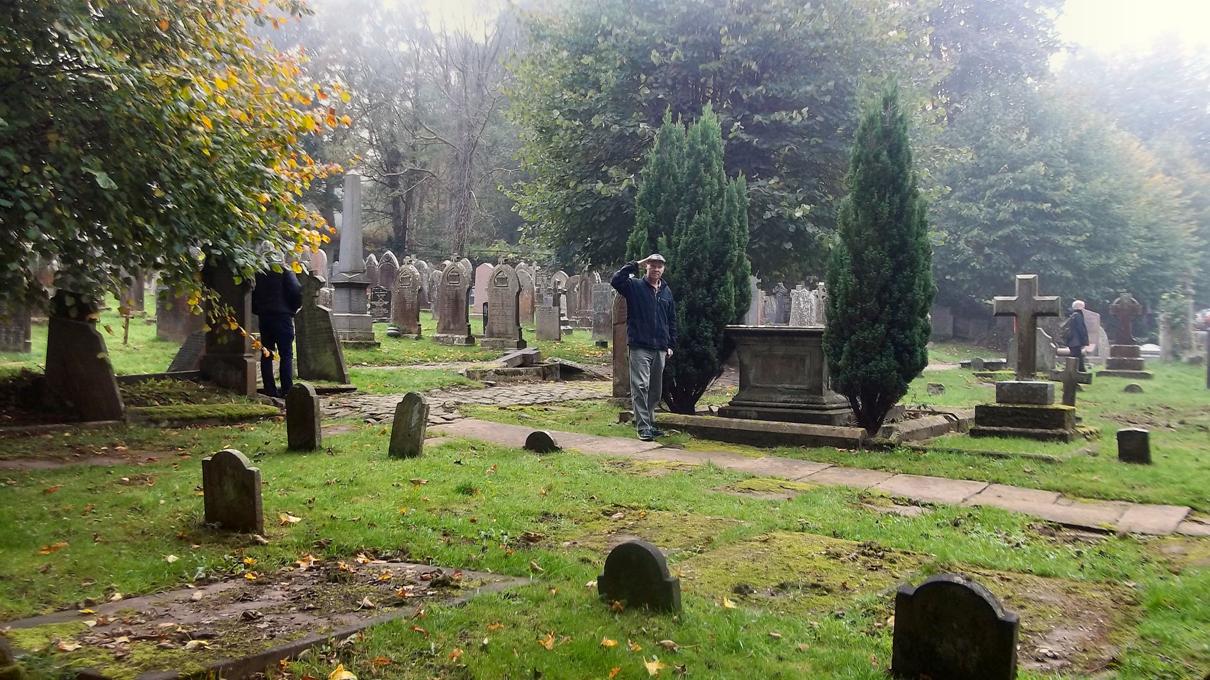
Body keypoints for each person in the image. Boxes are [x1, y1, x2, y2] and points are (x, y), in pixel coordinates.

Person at [611, 254, 677, 441]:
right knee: (640, 386)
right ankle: (643, 427)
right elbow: (616, 280)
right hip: (640, 345)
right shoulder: (634, 286)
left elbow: (671, 319)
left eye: (659, 266)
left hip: (660, 347)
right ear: (646, 267)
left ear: (663, 269)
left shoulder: (666, 291)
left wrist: (671, 344)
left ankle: (650, 423)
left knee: (655, 390)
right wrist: (636, 264)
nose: (656, 269)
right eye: (652, 265)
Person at [251, 250, 303, 398]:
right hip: (282, 317)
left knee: (267, 353)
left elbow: (254, 294)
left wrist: (258, 310)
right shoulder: (285, 272)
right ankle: (287, 390)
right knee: (286, 353)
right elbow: (296, 291)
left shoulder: (259, 274)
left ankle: (270, 390)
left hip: (265, 316)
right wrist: (293, 308)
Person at [1064, 300, 1090, 372]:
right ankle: (1079, 371)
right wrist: (1084, 339)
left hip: (1072, 340)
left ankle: (1077, 370)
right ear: (1080, 307)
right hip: (1076, 340)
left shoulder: (1073, 315)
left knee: (1076, 356)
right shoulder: (1078, 315)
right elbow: (1081, 328)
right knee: (1077, 356)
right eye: (1083, 307)